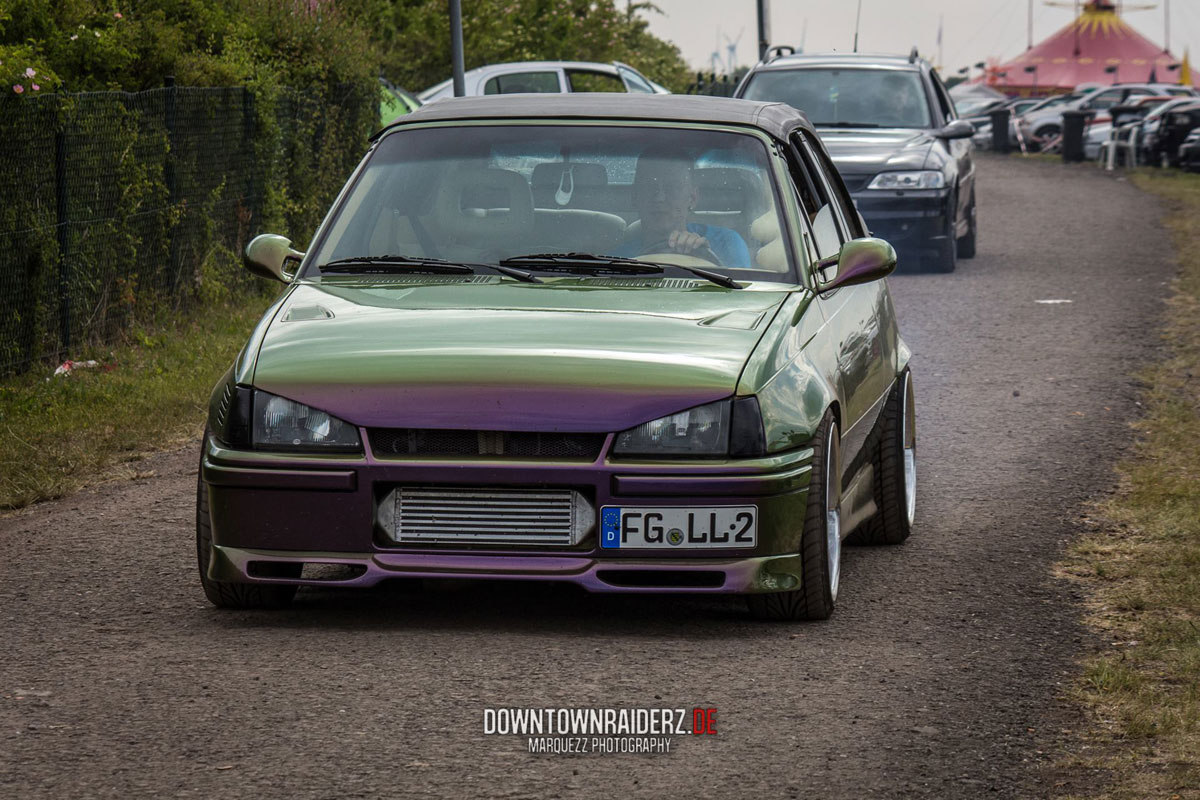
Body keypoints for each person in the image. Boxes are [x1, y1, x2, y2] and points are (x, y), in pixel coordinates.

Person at [611, 150, 750, 267]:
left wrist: (706, 256)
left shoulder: (726, 243)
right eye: (649, 186)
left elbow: (740, 294)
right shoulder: (620, 259)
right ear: (635, 196)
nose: (659, 197)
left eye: (672, 187)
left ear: (692, 198)